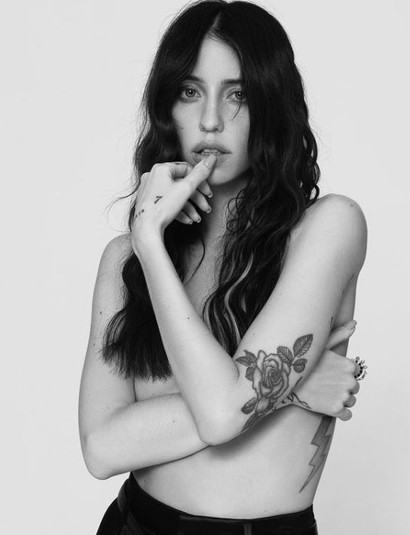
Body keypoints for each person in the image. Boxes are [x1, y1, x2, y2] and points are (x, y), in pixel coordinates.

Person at [78, 1, 368, 533]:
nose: (211, 120)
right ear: (167, 108)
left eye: (238, 94)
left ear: (272, 105)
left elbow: (222, 413)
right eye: (190, 92)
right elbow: (101, 447)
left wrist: (245, 398)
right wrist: (286, 387)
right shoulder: (129, 257)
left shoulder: (328, 228)